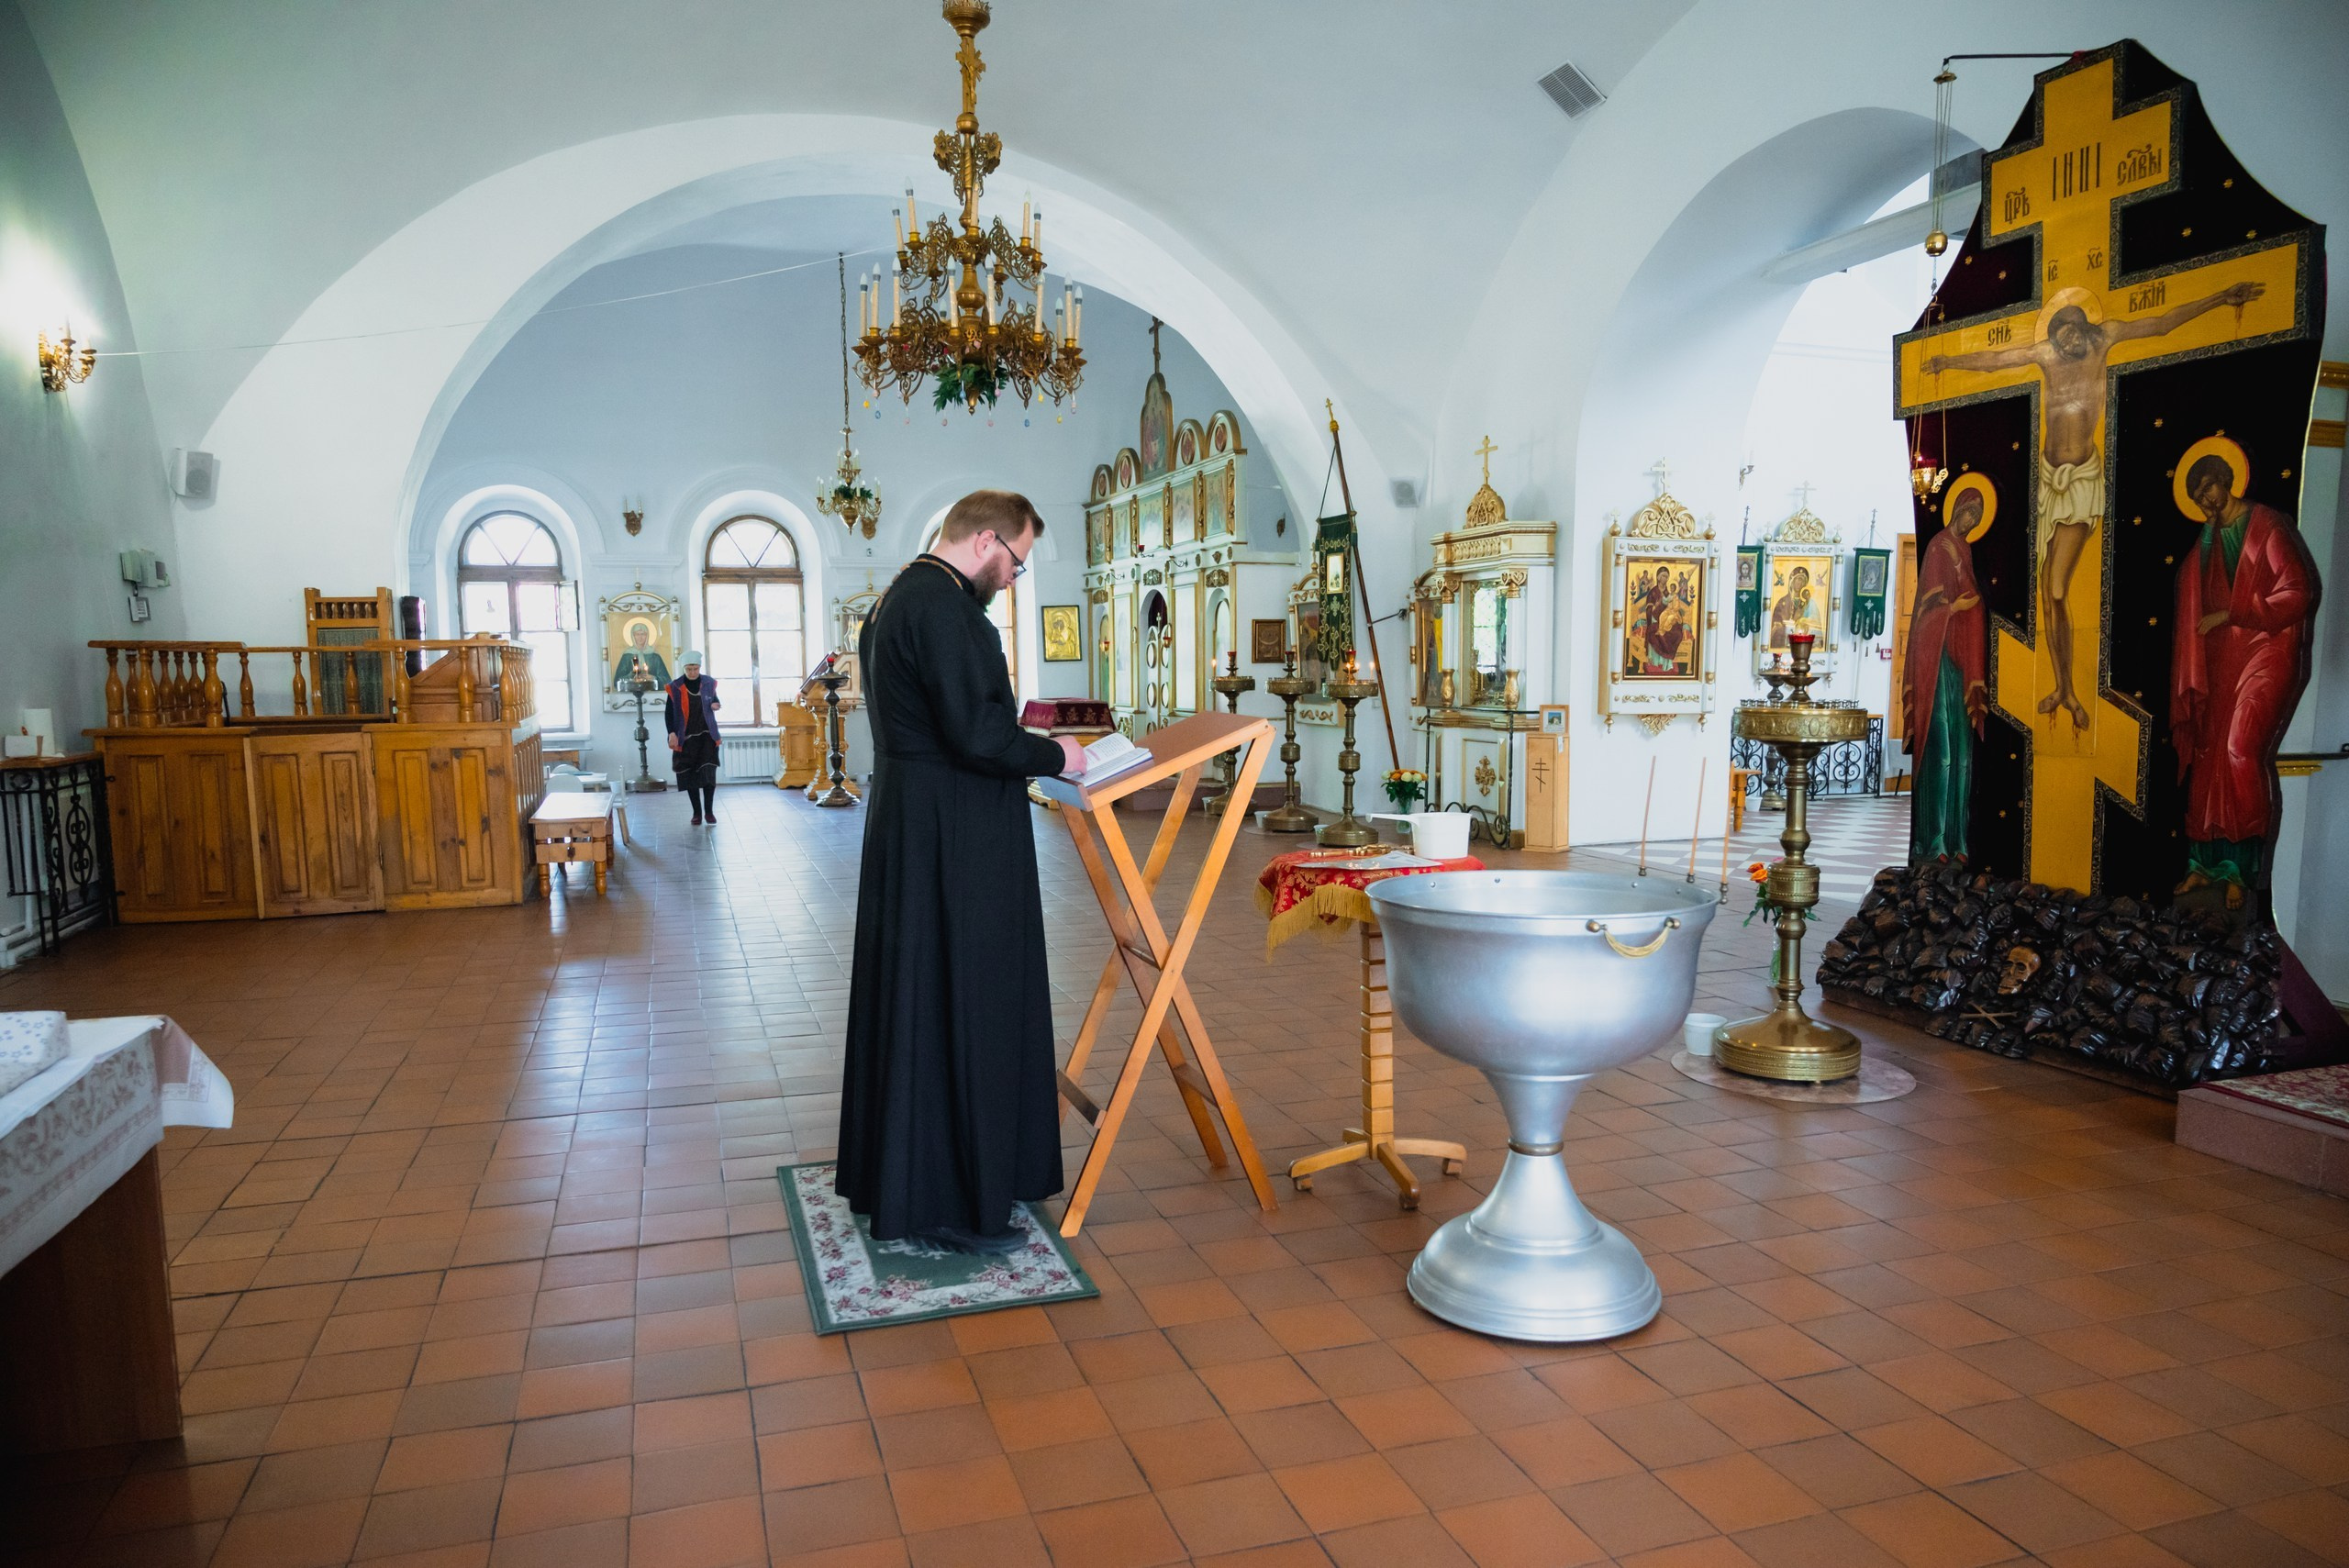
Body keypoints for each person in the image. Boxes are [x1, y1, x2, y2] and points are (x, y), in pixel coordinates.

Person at [835, 490, 1087, 1254]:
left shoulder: (897, 597)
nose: (1012, 579)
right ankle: (946, 1202)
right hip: (954, 834)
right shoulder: (944, 608)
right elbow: (979, 734)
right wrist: (1059, 754)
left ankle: (912, 1180)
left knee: (920, 995)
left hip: (915, 822)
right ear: (985, 541)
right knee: (960, 997)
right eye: (1015, 562)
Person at [1923, 279, 2264, 730]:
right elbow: (1996, 361)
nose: (2069, 341)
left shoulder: (2106, 339)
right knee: (2046, 589)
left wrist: (2218, 296)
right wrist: (1948, 360)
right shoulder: (2046, 355)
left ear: (2086, 327)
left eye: (2076, 332)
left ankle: (2069, 687)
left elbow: (2160, 324)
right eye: (2062, 335)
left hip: (2083, 480)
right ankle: (2063, 686)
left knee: (2058, 588)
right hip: (2049, 481)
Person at [2169, 452, 2317, 909]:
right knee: (2208, 754)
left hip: (2265, 652)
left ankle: (2243, 868)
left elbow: (2297, 593)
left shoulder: (2267, 527)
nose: (2205, 501)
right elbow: (2194, 593)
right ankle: (2203, 864)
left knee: (2238, 750)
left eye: (2208, 489)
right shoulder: (2207, 538)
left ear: (2225, 481)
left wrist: (2235, 613)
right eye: (2197, 497)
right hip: (2219, 660)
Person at [1907, 484, 1989, 862]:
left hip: (1960, 659)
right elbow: (1928, 612)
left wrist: (1970, 608)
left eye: (1976, 515)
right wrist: (1954, 607)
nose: (1970, 520)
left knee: (1962, 755)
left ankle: (1957, 841)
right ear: (1955, 509)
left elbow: (1972, 600)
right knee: (1940, 750)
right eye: (1967, 511)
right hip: (1936, 659)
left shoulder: (1966, 551)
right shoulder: (1939, 547)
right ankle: (1933, 840)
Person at [664, 652, 721, 824]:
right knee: (691, 777)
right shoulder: (675, 687)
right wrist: (671, 733)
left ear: (699, 668)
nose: (693, 672)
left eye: (695, 669)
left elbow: (716, 701)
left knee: (709, 774)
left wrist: (715, 705)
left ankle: (709, 812)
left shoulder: (709, 683)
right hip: (686, 738)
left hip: (707, 737)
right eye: (689, 669)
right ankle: (697, 813)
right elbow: (669, 713)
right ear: (684, 669)